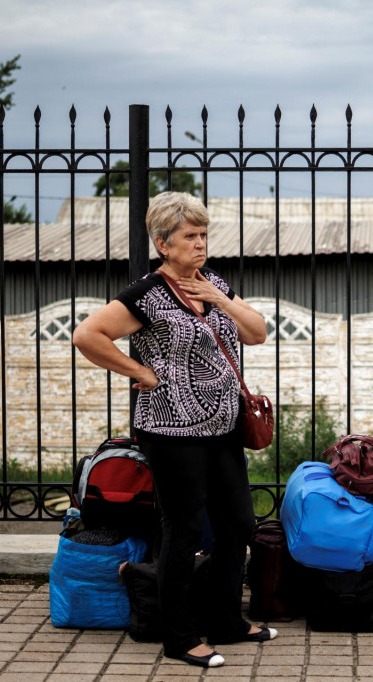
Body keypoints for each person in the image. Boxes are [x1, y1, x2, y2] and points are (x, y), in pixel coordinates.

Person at [73, 191, 273, 668]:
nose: (200, 244)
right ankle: (179, 636)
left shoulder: (213, 284)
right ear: (163, 243)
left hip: (223, 428)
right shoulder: (147, 294)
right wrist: (139, 373)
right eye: (190, 236)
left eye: (204, 235)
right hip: (171, 430)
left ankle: (226, 619)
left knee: (239, 523)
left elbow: (257, 332)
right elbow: (87, 335)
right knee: (183, 530)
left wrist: (220, 299)